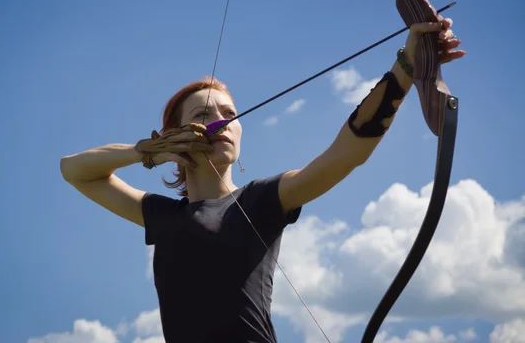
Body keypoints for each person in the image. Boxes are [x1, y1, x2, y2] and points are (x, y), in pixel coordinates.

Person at [60, 18, 465, 343]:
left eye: (229, 113)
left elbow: (347, 152)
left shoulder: (262, 200)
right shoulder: (161, 216)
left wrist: (407, 67)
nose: (220, 120)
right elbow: (75, 170)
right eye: (202, 115)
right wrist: (149, 151)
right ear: (174, 134)